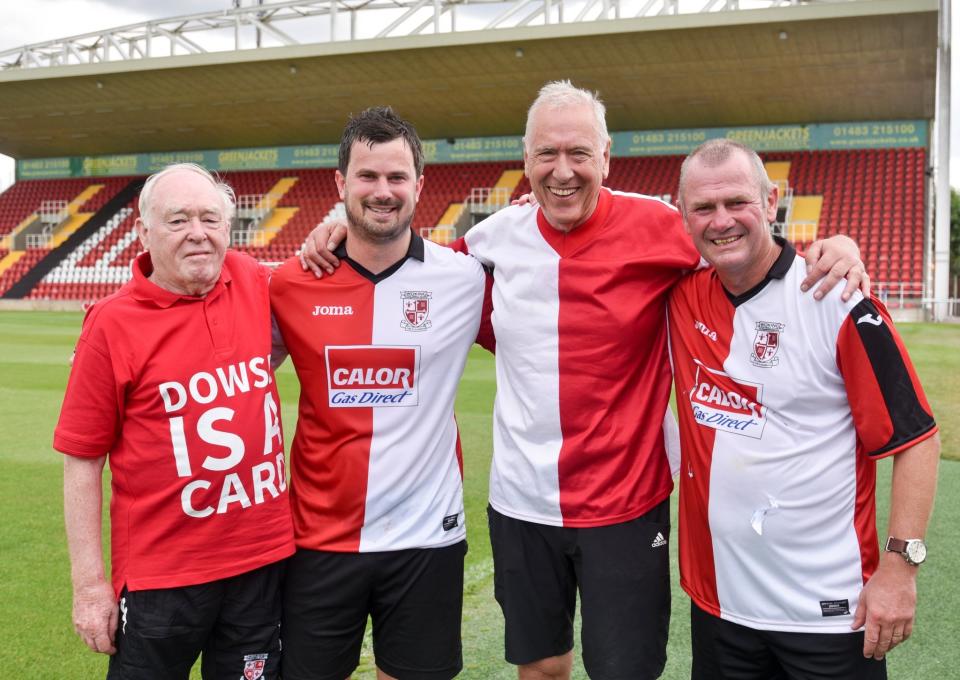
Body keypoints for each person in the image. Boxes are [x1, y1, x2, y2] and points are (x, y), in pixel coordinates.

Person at [299, 82, 866, 680]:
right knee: (541, 666)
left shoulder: (665, 227)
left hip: (625, 506)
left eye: (578, 154)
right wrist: (336, 228)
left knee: (623, 671)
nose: (562, 171)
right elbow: (405, 264)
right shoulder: (492, 239)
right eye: (546, 154)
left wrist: (835, 247)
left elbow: (750, 251)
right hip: (521, 503)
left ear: (606, 158)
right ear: (525, 162)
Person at [668, 138, 939, 679]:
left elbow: (917, 439)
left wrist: (899, 568)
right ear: (684, 216)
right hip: (722, 610)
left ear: (771, 203)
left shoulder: (837, 298)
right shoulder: (680, 297)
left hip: (828, 615)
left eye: (737, 202)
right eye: (703, 207)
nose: (721, 221)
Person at [270, 107, 487, 680]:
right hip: (319, 538)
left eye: (396, 178)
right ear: (340, 184)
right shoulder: (291, 282)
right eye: (367, 177)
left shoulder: (465, 277)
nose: (382, 191)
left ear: (419, 185)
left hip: (427, 538)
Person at [55, 163, 294, 680]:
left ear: (229, 228)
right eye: (178, 219)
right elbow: (81, 460)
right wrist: (89, 585)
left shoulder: (255, 282)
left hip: (261, 562)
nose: (197, 233)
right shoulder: (112, 324)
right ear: (142, 232)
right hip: (163, 579)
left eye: (210, 218)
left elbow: (341, 269)